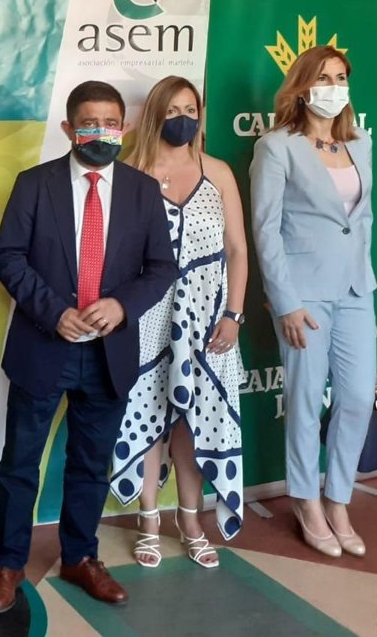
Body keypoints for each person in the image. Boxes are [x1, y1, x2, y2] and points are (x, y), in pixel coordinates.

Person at [0, 80, 177, 614]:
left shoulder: (141, 190)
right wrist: (54, 312)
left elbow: (161, 267)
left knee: (90, 464)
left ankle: (81, 557)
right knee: (20, 464)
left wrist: (121, 306)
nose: (101, 132)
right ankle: (8, 565)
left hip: (110, 352)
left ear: (125, 127)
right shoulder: (34, 184)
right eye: (89, 123)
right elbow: (8, 256)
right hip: (44, 347)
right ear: (69, 128)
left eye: (110, 123)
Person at [108, 76, 249, 570]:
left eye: (190, 110)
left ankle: (191, 520)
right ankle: (148, 519)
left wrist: (233, 314)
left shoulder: (219, 172)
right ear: (154, 116)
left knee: (198, 418)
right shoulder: (130, 172)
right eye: (172, 111)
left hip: (210, 316)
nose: (183, 119)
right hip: (147, 314)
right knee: (147, 415)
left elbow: (237, 250)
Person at [249, 45, 376, 559]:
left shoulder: (360, 142)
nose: (334, 87)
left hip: (355, 290)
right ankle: (305, 499)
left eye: (341, 77)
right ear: (302, 86)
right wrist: (284, 301)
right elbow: (265, 229)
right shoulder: (276, 147)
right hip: (303, 295)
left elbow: (362, 220)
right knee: (304, 400)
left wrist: (363, 275)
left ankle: (338, 498)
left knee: (358, 397)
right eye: (324, 77)